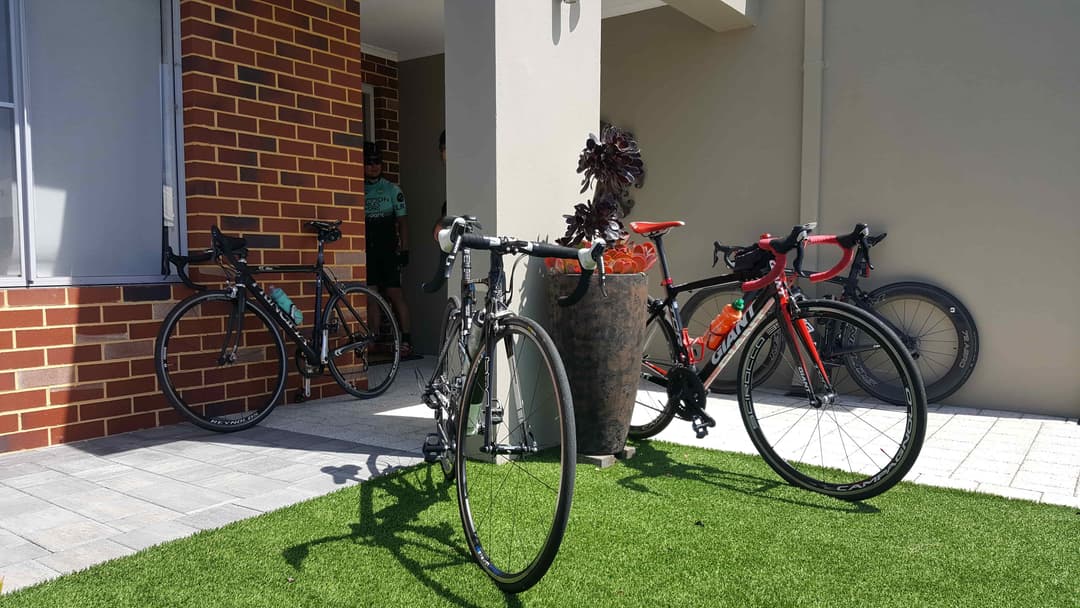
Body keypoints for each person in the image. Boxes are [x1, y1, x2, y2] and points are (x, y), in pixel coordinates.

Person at [364, 141, 412, 356]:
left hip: (388, 249)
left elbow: (402, 222)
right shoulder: (357, 188)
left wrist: (405, 250)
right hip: (368, 251)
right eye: (369, 162)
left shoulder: (393, 189)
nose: (374, 166)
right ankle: (372, 340)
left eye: (378, 162)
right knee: (371, 295)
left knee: (395, 294)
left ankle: (407, 341)